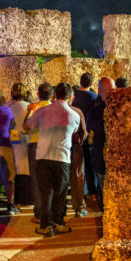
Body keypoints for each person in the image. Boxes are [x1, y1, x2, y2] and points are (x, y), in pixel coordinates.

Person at [24, 82, 82, 236]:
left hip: (42, 156)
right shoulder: (74, 115)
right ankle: (59, 222)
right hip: (62, 157)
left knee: (45, 192)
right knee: (60, 193)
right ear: (70, 96)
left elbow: (27, 126)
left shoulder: (42, 111)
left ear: (55, 95)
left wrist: (29, 112)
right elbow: (76, 131)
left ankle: (45, 225)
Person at [25, 83, 53, 225]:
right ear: (52, 95)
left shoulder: (34, 108)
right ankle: (50, 212)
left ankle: (39, 213)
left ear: (38, 93)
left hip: (35, 144)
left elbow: (25, 128)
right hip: (51, 144)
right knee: (50, 178)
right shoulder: (55, 108)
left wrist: (30, 112)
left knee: (36, 180)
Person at [70, 73, 97, 217]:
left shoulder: (74, 96)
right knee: (89, 164)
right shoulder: (93, 98)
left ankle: (83, 191)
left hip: (75, 134)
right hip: (88, 134)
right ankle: (91, 191)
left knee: (78, 165)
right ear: (91, 83)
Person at [88, 77, 115, 210]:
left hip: (100, 153)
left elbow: (90, 134)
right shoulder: (120, 110)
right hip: (118, 156)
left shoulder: (94, 111)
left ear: (99, 91)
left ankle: (106, 209)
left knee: (102, 182)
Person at [7, 83, 31, 211]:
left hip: (11, 140)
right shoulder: (29, 107)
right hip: (25, 139)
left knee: (13, 167)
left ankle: (13, 199)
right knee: (25, 167)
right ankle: (25, 199)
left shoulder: (6, 107)